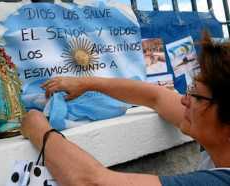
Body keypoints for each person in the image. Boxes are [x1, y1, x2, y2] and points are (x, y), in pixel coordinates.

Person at [21, 32, 230, 186]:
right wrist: (86, 83)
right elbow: (155, 96)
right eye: (189, 89)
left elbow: (92, 182)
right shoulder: (217, 138)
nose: (184, 101)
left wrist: (39, 130)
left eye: (195, 95)